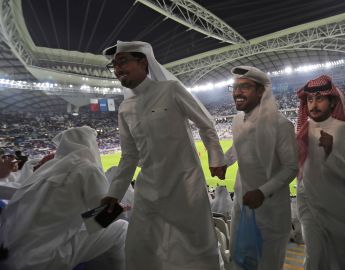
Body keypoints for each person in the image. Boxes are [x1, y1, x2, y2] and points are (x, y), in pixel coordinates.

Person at [100, 41, 227, 270]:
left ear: (142, 62)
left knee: (194, 250)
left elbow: (206, 124)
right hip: (148, 189)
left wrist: (216, 158)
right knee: (141, 249)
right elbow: (129, 156)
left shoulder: (170, 90)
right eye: (114, 66)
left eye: (122, 62)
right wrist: (114, 193)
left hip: (185, 185)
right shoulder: (125, 109)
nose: (117, 69)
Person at [0, 126, 127, 270]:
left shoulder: (44, 169)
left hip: (11, 255)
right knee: (121, 227)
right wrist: (120, 208)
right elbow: (103, 216)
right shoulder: (87, 169)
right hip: (42, 259)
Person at [225, 66, 298, 269]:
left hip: (271, 212)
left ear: (261, 91)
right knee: (239, 261)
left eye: (245, 87)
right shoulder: (237, 120)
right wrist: (223, 162)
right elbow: (240, 145)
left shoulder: (281, 125)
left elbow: (291, 167)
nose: (237, 93)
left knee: (268, 264)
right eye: (235, 87)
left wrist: (262, 192)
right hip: (241, 204)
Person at [295, 75, 345, 270]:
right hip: (310, 208)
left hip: (341, 213)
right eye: (309, 100)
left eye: (319, 98)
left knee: (339, 264)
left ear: (332, 101)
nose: (313, 104)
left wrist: (330, 153)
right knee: (314, 260)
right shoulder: (302, 132)